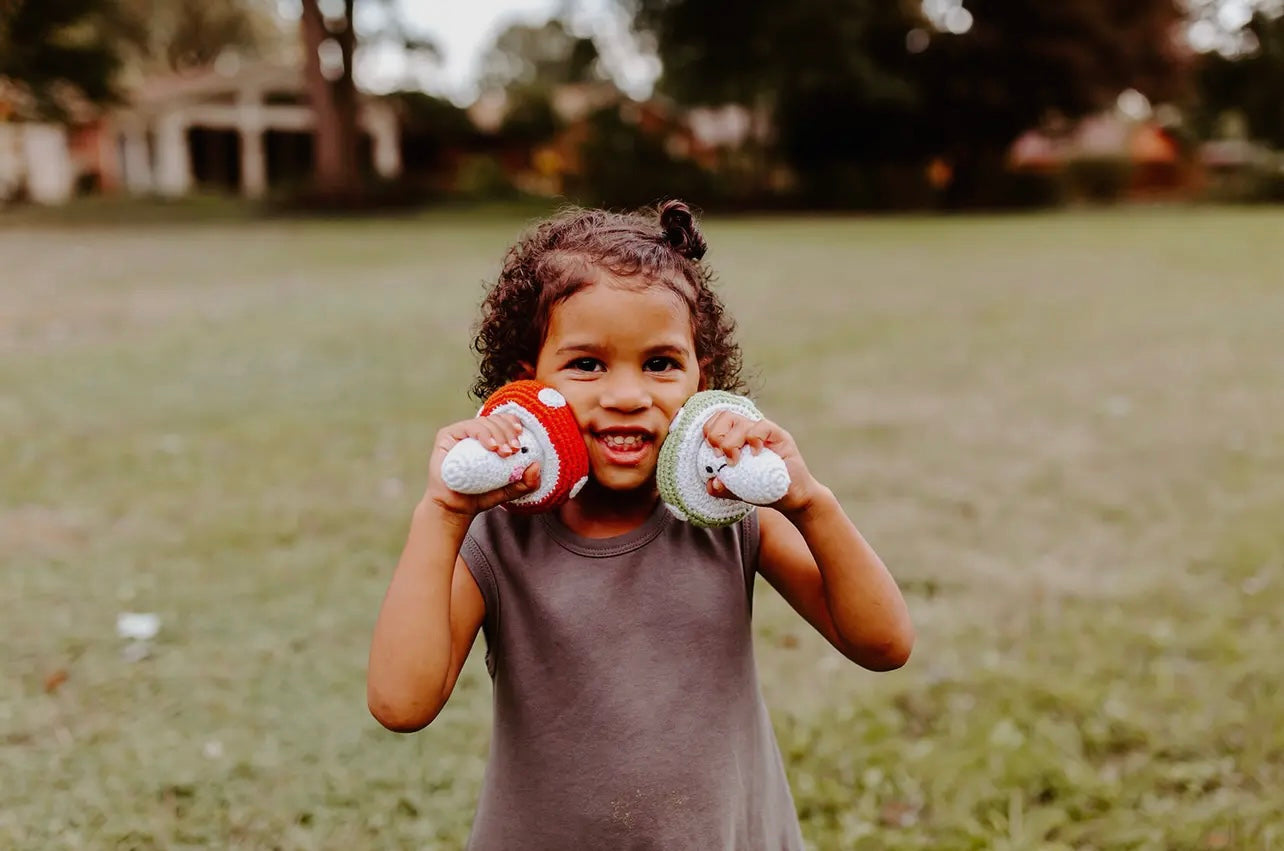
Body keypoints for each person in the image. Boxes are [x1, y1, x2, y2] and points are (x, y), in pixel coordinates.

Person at [367, 200, 914, 850]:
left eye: (660, 363)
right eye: (587, 365)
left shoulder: (732, 518)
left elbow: (884, 644)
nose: (627, 394)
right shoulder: (497, 536)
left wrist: (810, 501)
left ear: (700, 383)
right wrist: (442, 513)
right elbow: (402, 703)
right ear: (527, 388)